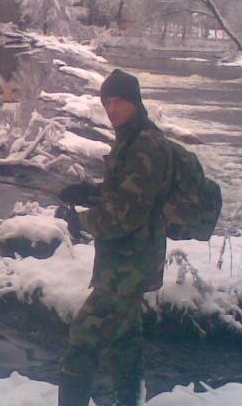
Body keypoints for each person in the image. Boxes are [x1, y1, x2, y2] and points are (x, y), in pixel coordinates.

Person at [56, 69, 172, 406]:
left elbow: (128, 213)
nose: (112, 109)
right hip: (125, 262)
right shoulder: (131, 140)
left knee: (83, 338)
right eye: (107, 102)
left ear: (135, 101)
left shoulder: (146, 146)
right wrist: (89, 193)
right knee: (125, 342)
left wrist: (80, 220)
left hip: (129, 266)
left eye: (119, 100)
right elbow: (124, 194)